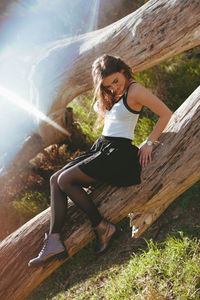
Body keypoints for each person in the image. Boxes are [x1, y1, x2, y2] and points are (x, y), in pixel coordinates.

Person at [28, 54, 172, 267]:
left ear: (123, 70)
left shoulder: (135, 90)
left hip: (117, 154)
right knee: (55, 179)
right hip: (102, 147)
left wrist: (149, 142)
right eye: (108, 85)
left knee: (65, 180)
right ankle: (54, 241)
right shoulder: (114, 94)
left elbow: (165, 114)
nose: (114, 86)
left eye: (116, 80)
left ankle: (102, 227)